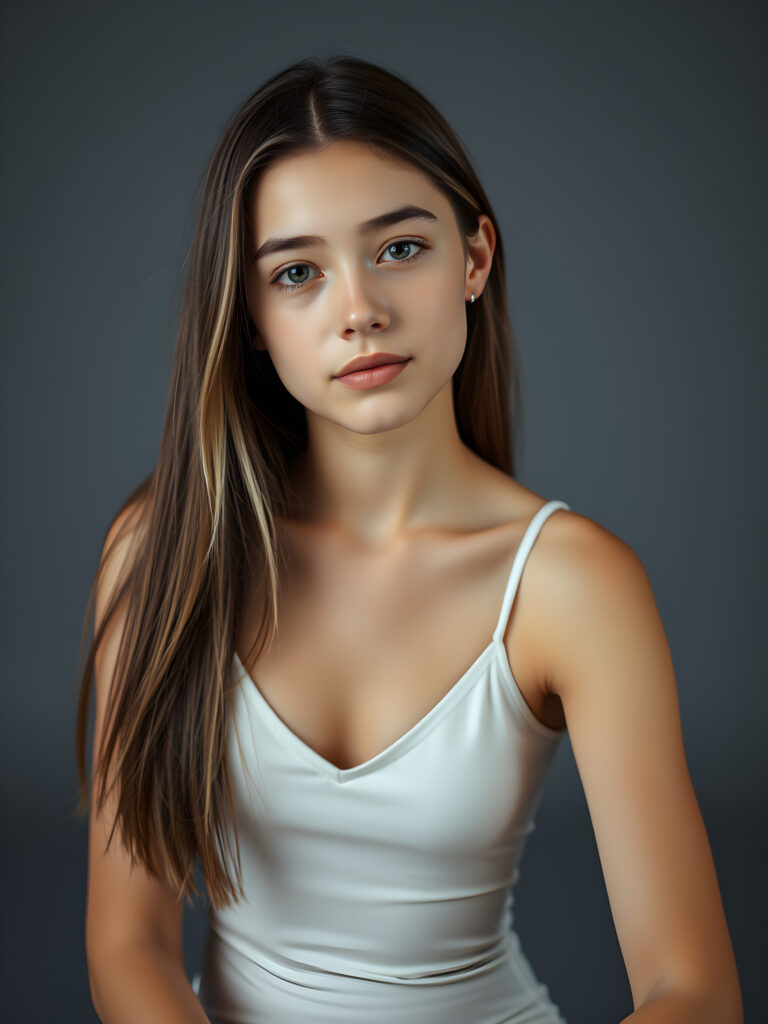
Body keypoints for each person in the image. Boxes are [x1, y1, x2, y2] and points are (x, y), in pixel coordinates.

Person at [75, 56, 742, 1024]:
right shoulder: (161, 550)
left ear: (474, 259)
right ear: (251, 319)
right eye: (297, 273)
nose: (359, 311)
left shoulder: (572, 583)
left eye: (399, 248)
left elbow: (694, 988)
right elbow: (125, 944)